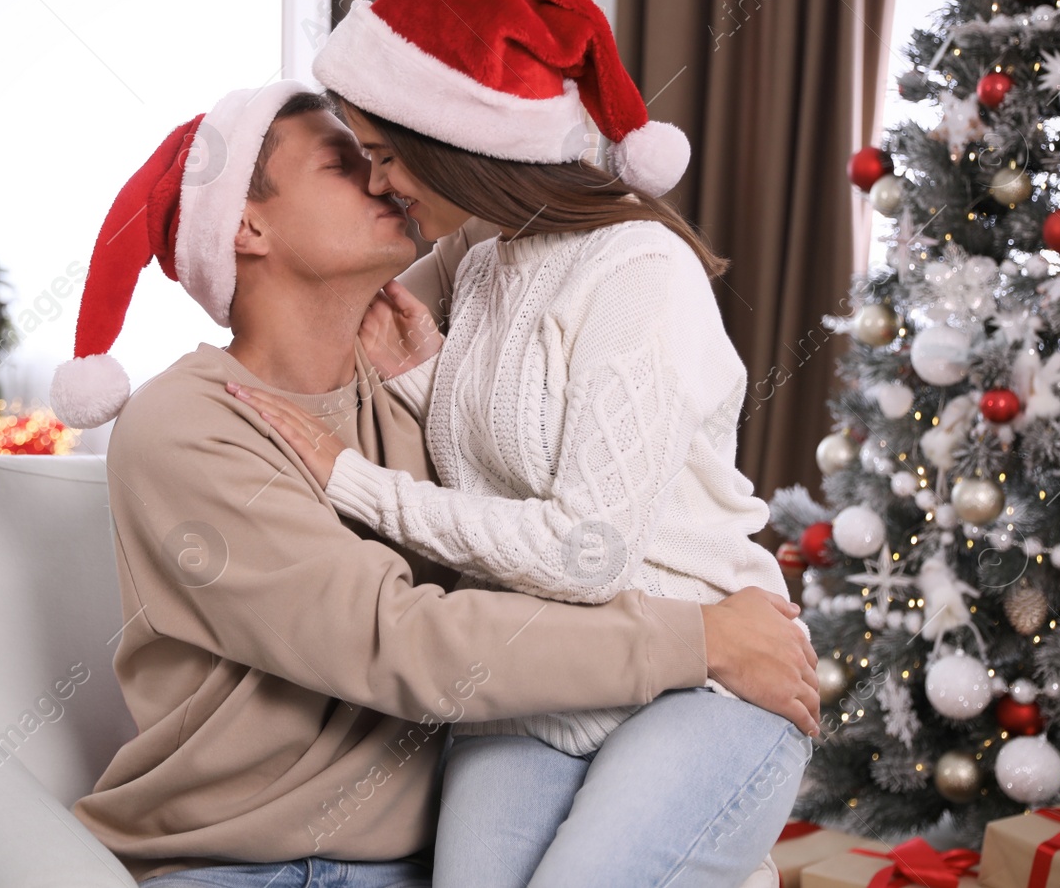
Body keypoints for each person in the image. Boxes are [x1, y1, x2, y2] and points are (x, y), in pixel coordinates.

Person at [49, 81, 818, 887]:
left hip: (419, 861)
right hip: (237, 863)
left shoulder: (418, 385)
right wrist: (699, 639)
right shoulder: (186, 425)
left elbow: (531, 222)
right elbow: (396, 637)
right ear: (247, 224)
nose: (387, 177)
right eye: (346, 162)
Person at [227, 0, 811, 888]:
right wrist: (428, 383)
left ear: (455, 139)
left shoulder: (638, 271)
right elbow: (511, 453)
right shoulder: (487, 258)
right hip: (540, 683)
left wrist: (358, 483)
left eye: (382, 152)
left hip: (707, 672)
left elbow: (588, 551)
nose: (377, 182)